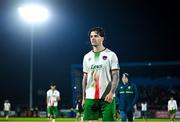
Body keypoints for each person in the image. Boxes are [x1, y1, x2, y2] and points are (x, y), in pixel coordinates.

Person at [82, 27, 120, 122]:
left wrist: (111, 92)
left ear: (102, 38)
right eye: (91, 36)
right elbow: (85, 78)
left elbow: (116, 76)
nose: (93, 38)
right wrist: (83, 97)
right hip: (90, 97)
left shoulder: (111, 55)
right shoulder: (86, 57)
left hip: (107, 97)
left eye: (96, 36)